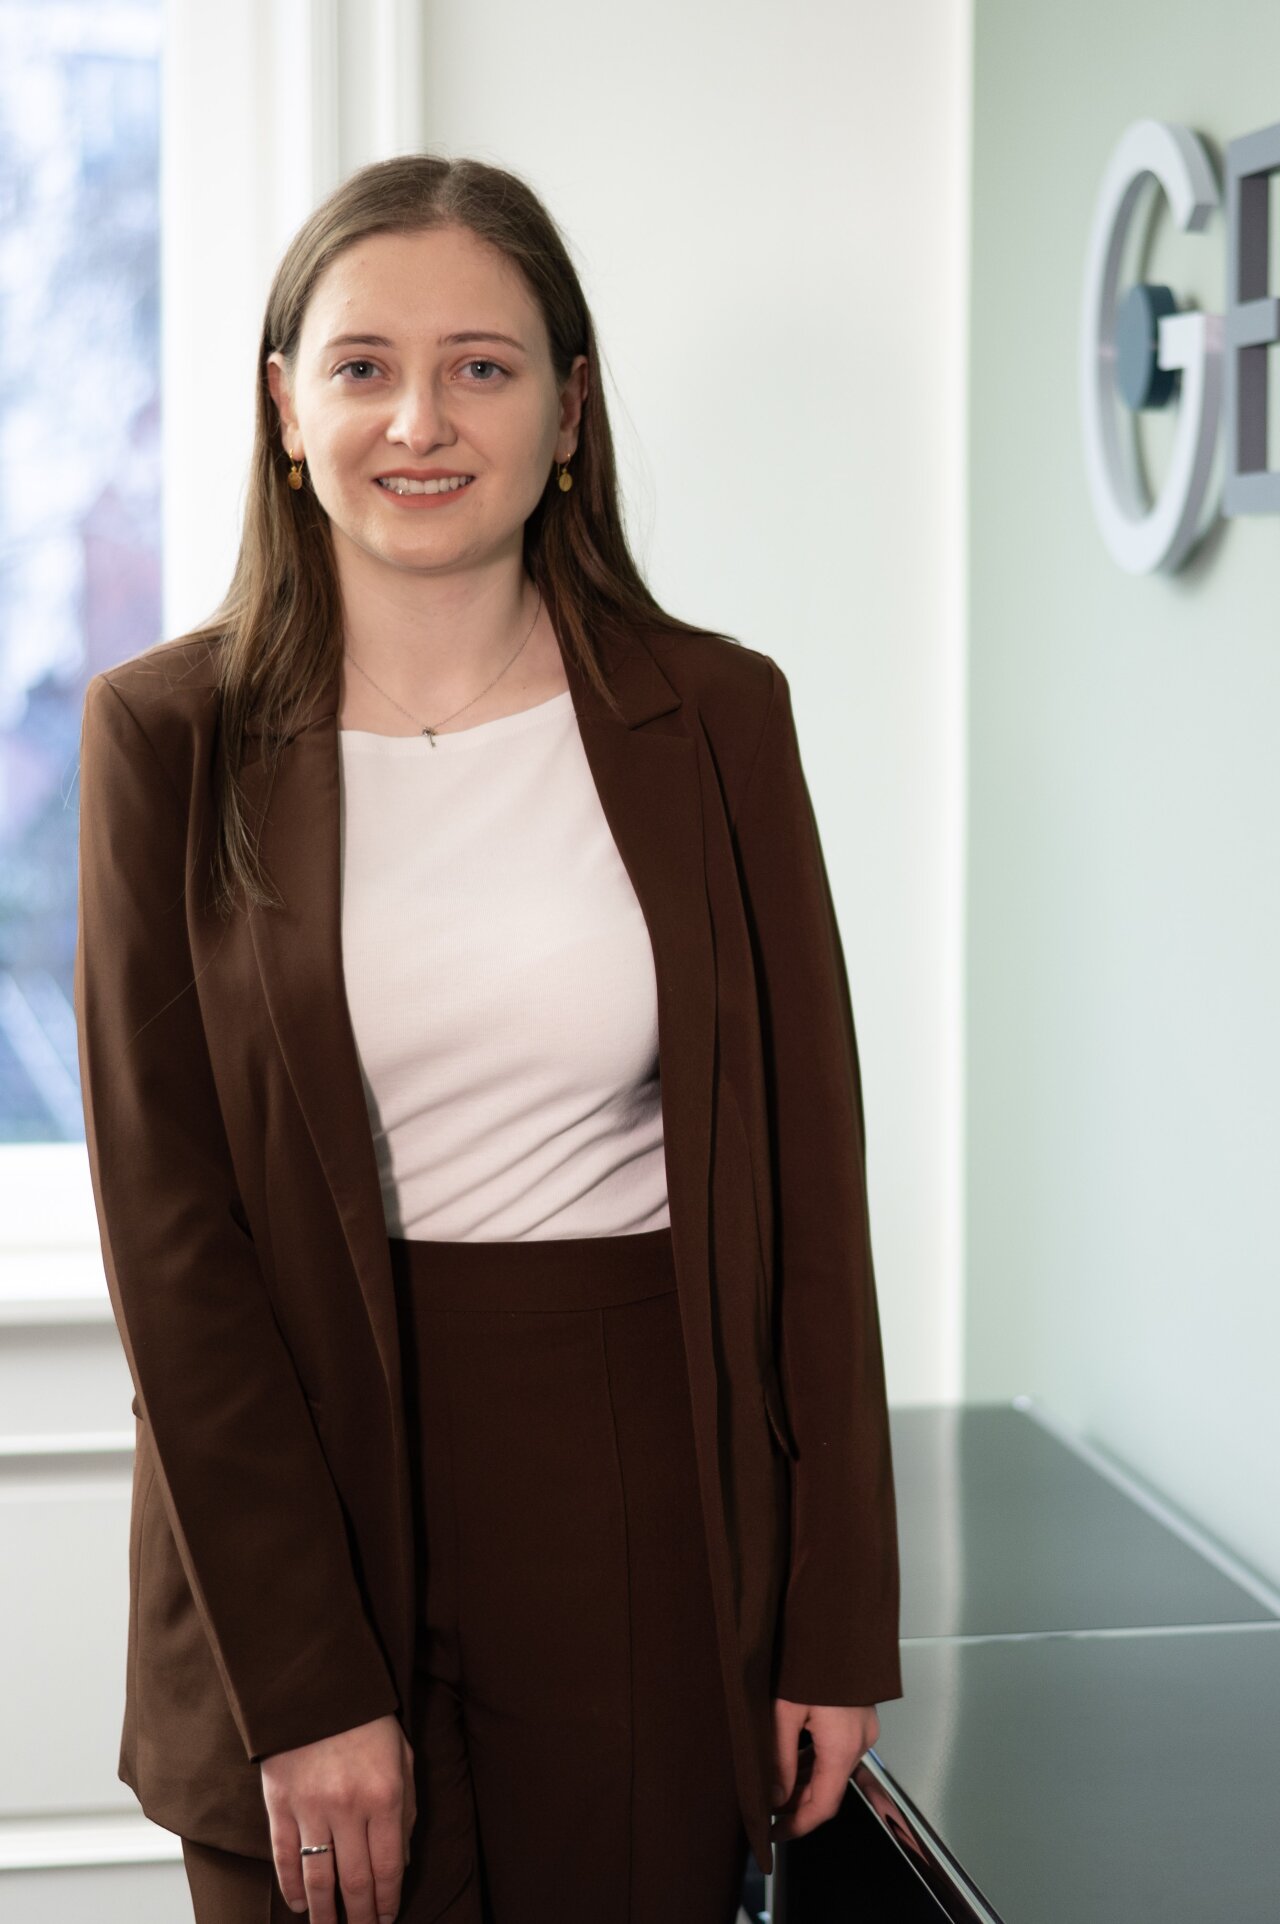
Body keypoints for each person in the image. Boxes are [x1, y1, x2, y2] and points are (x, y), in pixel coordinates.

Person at [73, 153, 903, 1924]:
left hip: (637, 1506)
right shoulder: (165, 739)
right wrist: (306, 1690)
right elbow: (175, 1246)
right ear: (285, 410)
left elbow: (811, 1196)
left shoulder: (720, 718)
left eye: (484, 364)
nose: (419, 419)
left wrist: (833, 1619)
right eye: (363, 365)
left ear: (571, 411)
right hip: (291, 1515)